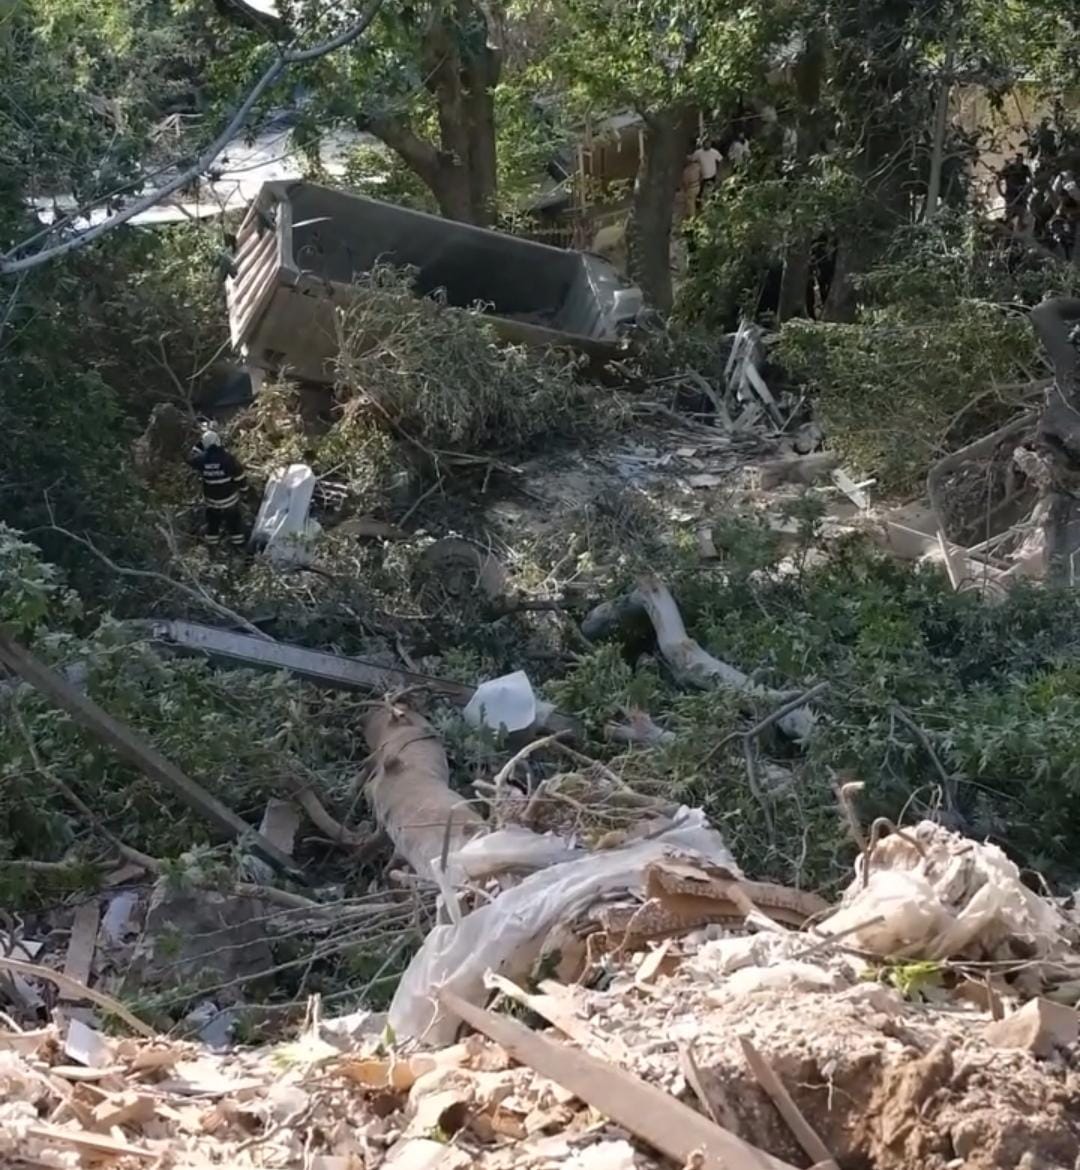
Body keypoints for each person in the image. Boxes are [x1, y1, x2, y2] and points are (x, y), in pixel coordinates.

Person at [187, 429, 249, 548]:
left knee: (213, 525)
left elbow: (190, 459)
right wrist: (245, 491)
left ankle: (212, 551)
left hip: (212, 502)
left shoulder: (201, 459)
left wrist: (198, 447)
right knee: (234, 524)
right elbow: (240, 476)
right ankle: (239, 550)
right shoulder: (227, 458)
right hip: (229, 500)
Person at [997, 153, 1031, 231]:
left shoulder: (1025, 169)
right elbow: (998, 180)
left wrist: (1028, 190)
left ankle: (1020, 228)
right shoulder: (1009, 169)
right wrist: (1001, 193)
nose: (1018, 162)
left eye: (1020, 160)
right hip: (1010, 195)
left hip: (1021, 194)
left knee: (1021, 212)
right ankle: (1007, 229)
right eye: (1017, 160)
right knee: (1009, 214)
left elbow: (1031, 180)